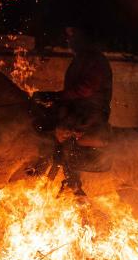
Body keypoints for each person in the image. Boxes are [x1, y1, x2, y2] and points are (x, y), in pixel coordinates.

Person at [33, 26, 113, 193]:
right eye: (68, 37)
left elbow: (85, 89)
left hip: (91, 112)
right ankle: (41, 163)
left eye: (72, 36)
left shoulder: (96, 61)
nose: (69, 41)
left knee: (65, 131)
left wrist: (55, 96)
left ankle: (73, 182)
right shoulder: (81, 59)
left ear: (83, 38)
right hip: (77, 108)